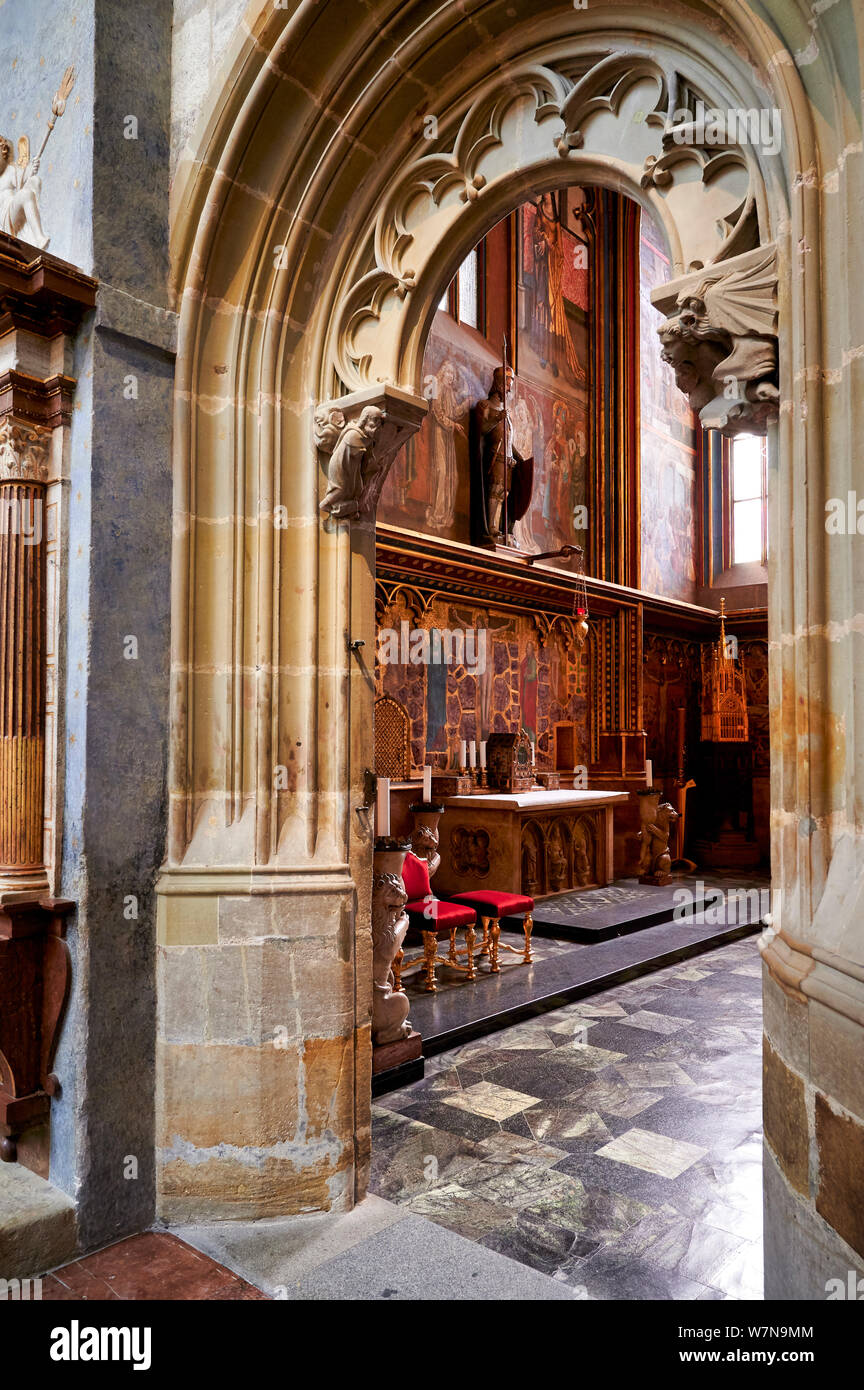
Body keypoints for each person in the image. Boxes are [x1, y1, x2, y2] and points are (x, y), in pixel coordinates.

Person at [0, 137, 49, 250]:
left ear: (3, 153)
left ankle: (39, 238)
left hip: (11, 213)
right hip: (1, 223)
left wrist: (32, 167)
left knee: (27, 192)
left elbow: (24, 178)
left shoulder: (10, 170)